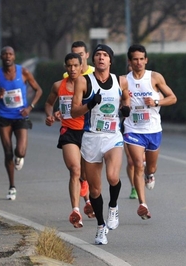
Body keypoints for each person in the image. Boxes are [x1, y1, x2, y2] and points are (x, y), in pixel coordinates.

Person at [71, 44, 130, 245]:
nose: (101, 58)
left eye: (105, 55)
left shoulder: (119, 80)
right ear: (93, 60)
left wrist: (126, 108)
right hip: (91, 138)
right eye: (97, 55)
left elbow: (126, 97)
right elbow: (74, 111)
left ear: (110, 60)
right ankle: (100, 226)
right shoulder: (83, 81)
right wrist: (90, 104)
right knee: (95, 191)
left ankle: (113, 207)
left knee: (113, 176)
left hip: (113, 135)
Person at [123, 44, 177, 220]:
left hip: (153, 129)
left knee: (150, 166)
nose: (138, 62)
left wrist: (156, 102)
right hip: (132, 129)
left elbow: (172, 98)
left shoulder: (154, 77)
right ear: (129, 62)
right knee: (137, 163)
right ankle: (143, 204)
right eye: (135, 59)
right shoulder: (123, 80)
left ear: (146, 60)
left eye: (141, 59)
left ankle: (150, 174)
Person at [0, 46, 43, 201]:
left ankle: (20, 157)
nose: (8, 56)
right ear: (1, 57)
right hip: (4, 117)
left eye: (10, 54)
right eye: (5, 54)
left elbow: (39, 90)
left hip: (21, 116)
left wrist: (30, 107)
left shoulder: (23, 72)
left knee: (21, 151)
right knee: (8, 152)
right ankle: (12, 186)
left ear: (14, 57)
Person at [45, 53, 95, 229]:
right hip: (68, 132)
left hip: (88, 132)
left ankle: (86, 192)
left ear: (82, 66)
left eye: (76, 65)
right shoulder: (59, 85)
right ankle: (76, 210)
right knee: (74, 169)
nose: (72, 69)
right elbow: (50, 103)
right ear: (65, 67)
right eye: (69, 66)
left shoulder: (89, 85)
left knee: (86, 174)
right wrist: (50, 115)